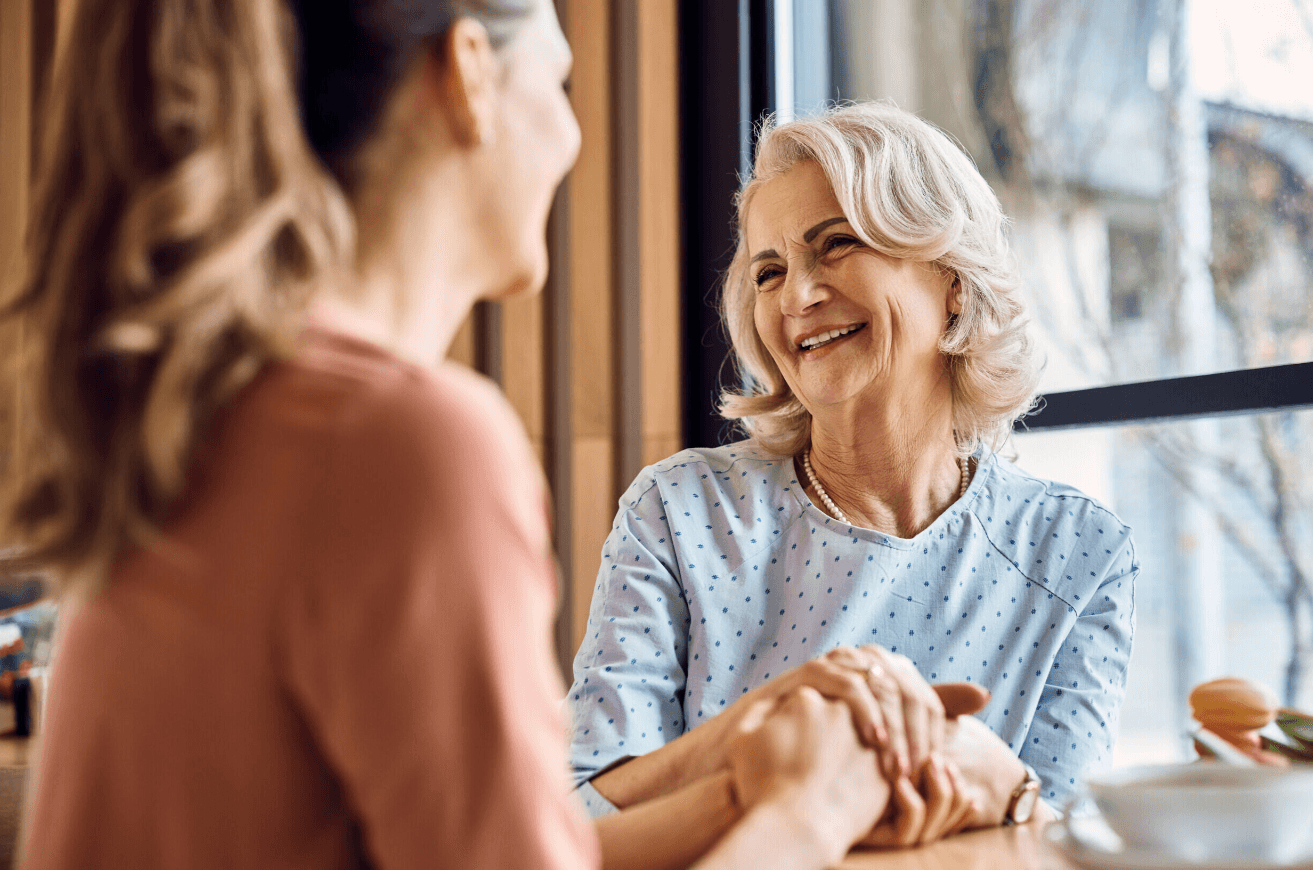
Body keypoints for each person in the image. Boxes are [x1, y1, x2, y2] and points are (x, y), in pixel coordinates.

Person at [5, 2, 899, 869]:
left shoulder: (215, 413)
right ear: (469, 74)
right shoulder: (403, 447)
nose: (572, 136)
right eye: (559, 81)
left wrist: (746, 775)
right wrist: (811, 812)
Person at [568, 101, 1139, 830]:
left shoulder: (1078, 552)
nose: (797, 297)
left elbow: (1075, 841)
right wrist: (761, 728)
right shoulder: (679, 510)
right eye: (768, 272)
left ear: (952, 280)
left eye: (834, 244)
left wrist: (1006, 788)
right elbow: (579, 810)